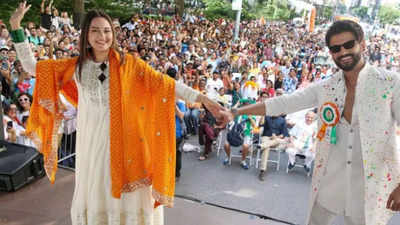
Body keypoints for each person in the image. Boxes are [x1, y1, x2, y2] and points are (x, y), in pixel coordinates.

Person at [10, 2, 223, 225]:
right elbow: (31, 66)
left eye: (106, 31)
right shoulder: (76, 67)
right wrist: (16, 27)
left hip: (128, 143)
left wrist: (203, 99)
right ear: (85, 35)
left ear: (113, 34)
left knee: (129, 200)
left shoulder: (130, 65)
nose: (102, 36)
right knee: (98, 191)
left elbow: (168, 85)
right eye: (95, 31)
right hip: (92, 145)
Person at [219, 20, 400, 225]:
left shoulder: (390, 83)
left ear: (363, 44)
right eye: (335, 48)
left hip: (368, 188)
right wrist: (235, 112)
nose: (343, 52)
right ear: (331, 53)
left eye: (349, 45)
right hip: (329, 183)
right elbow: (284, 103)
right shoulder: (327, 87)